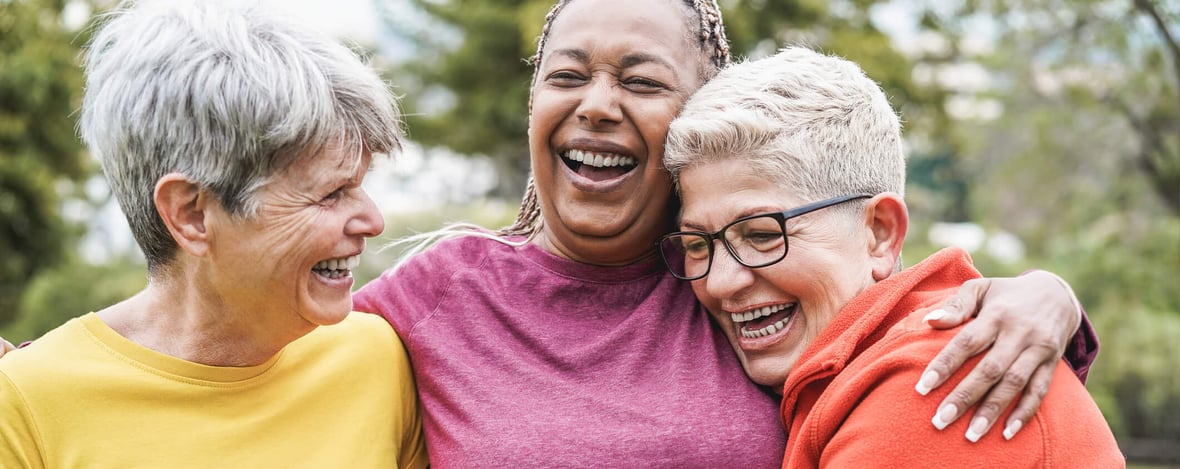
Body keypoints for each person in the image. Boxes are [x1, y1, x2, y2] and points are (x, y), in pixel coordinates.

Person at [352, 0, 1097, 466]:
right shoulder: (444, 289)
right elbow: (275, 347)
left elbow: (894, 291)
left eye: (642, 81)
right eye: (566, 75)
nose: (598, 104)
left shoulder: (735, 289)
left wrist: (1043, 297)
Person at [0, 1, 427, 467]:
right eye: (331, 194)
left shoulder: (379, 363)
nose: (373, 221)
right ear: (192, 214)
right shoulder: (25, 406)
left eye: (360, 185)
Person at [658, 46, 1122, 467]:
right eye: (698, 245)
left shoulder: (938, 383)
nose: (720, 282)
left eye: (761, 234)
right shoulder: (850, 370)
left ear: (880, 233)